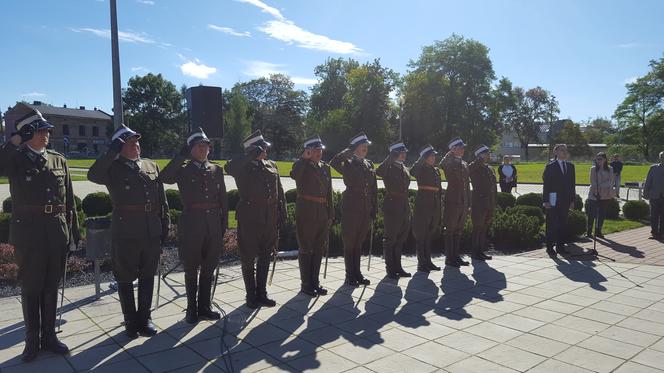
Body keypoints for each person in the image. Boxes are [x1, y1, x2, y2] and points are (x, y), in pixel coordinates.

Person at [0, 104, 79, 361]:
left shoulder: (59, 159)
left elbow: (69, 202)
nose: (45, 135)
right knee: (32, 288)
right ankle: (31, 340)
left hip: (56, 231)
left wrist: (73, 233)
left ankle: (50, 336)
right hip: (29, 234)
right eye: (39, 131)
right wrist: (13, 141)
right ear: (26, 134)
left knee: (50, 287)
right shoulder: (15, 157)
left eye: (47, 131)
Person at [88, 124, 170, 338]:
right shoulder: (112, 168)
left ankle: (145, 318)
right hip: (125, 230)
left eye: (137, 142)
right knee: (124, 276)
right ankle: (130, 320)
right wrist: (112, 151)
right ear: (120, 147)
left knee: (147, 275)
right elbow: (93, 174)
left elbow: (162, 199)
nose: (136, 146)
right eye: (130, 143)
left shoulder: (151, 165)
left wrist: (165, 224)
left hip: (151, 229)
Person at [160, 128, 228, 323]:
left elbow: (223, 198)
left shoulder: (216, 169)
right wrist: (181, 156)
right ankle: (191, 309)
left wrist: (222, 225)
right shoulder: (183, 170)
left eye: (206, 145)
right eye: (199, 146)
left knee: (209, 266)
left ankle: (205, 306)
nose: (203, 149)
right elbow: (164, 177)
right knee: (191, 267)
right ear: (191, 149)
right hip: (192, 223)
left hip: (213, 224)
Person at [224, 130, 286, 308]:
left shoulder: (271, 164)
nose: (266, 150)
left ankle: (262, 293)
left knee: (266, 255)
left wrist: (281, 213)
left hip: (270, 216)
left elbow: (279, 190)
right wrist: (250, 156)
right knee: (248, 256)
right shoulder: (242, 166)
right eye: (262, 148)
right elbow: (229, 168)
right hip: (250, 217)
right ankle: (250, 295)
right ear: (253, 149)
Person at [330, 133, 378, 287]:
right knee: (350, 242)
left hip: (365, 208)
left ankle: (357, 273)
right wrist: (348, 151)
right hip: (351, 207)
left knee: (358, 242)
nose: (365, 149)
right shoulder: (348, 163)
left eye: (366, 146)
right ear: (355, 148)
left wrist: (373, 207)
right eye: (362, 146)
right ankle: (349, 274)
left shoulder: (369, 164)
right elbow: (333, 162)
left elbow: (373, 188)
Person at [289, 135, 333, 296]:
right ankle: (305, 284)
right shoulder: (301, 166)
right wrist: (303, 159)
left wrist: (330, 214)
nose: (319, 153)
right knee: (306, 248)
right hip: (306, 212)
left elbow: (329, 194)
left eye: (320, 149)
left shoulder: (325, 167)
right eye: (315, 150)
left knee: (319, 248)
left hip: (322, 212)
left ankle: (315, 282)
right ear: (308, 151)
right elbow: (295, 175)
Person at [376, 142, 412, 279]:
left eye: (404, 152)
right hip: (392, 206)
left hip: (404, 206)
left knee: (400, 238)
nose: (404, 155)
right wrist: (390, 158)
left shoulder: (404, 168)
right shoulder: (389, 167)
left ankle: (398, 267)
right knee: (390, 238)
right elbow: (379, 172)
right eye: (400, 152)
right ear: (394, 154)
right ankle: (390, 268)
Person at [440, 137, 471, 268]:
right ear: (454, 149)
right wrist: (450, 153)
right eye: (460, 147)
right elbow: (442, 164)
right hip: (452, 200)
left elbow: (467, 185)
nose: (463, 150)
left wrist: (468, 202)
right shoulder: (450, 163)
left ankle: (456, 256)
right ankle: (449, 257)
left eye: (463, 147)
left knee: (458, 230)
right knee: (450, 230)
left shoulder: (464, 164)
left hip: (462, 201)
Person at [411, 145, 442, 272]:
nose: (434, 158)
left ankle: (428, 261)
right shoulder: (421, 168)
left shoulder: (434, 170)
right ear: (425, 158)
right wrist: (420, 160)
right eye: (431, 156)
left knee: (429, 235)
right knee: (421, 235)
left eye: (434, 156)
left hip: (433, 204)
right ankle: (421, 263)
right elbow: (412, 172)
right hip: (423, 203)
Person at [542, 144, 576, 257]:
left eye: (565, 150)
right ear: (555, 153)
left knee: (563, 224)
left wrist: (572, 200)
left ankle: (560, 247)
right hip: (552, 200)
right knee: (551, 224)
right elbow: (546, 185)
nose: (564, 152)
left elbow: (572, 185)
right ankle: (549, 247)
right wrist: (546, 201)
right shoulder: (550, 166)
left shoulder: (571, 167)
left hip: (565, 201)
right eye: (562, 150)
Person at [468, 145, 496, 261]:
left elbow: (493, 187)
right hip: (479, 202)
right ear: (480, 156)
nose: (489, 156)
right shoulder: (475, 167)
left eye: (489, 154)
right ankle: (475, 252)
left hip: (488, 202)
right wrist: (478, 161)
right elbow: (469, 169)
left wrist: (494, 202)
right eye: (486, 154)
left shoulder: (489, 168)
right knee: (477, 228)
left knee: (484, 228)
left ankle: (481, 251)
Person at [587, 152, 616, 238]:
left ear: (605, 160)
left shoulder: (610, 169)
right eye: (597, 159)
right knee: (592, 213)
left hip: (605, 194)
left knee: (602, 213)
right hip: (594, 193)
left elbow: (610, 182)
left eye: (600, 159)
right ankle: (589, 231)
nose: (599, 161)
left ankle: (598, 231)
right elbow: (592, 181)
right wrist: (597, 188)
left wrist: (600, 185)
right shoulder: (593, 169)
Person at [643, 151, 664, 240]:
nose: (663, 158)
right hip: (654, 195)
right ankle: (654, 232)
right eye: (662, 157)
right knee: (653, 215)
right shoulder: (653, 168)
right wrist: (645, 192)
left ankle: (662, 233)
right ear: (659, 158)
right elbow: (648, 181)